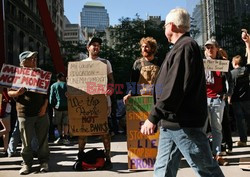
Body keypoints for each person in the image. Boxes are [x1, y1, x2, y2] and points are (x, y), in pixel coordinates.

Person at [141, 8, 224, 177]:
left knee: (206, 169)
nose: (164, 29)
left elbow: (175, 87)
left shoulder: (186, 47)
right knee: (162, 170)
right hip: (172, 122)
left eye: (165, 26)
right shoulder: (181, 47)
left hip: (184, 123)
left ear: (171, 26)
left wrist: (153, 116)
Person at [8, 51, 49, 175]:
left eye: (35, 58)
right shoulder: (16, 75)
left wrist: (44, 107)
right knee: (26, 141)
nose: (34, 60)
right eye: (31, 59)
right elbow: (10, 92)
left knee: (43, 140)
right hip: (24, 112)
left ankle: (44, 162)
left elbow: (46, 93)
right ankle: (26, 163)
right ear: (23, 62)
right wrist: (17, 93)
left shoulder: (40, 73)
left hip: (41, 112)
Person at [78, 37, 114, 169]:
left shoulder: (105, 62)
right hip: (85, 103)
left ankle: (108, 157)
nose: (96, 47)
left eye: (98, 45)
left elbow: (111, 80)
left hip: (103, 101)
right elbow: (76, 83)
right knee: (82, 131)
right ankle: (80, 156)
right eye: (93, 45)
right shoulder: (81, 64)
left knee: (104, 131)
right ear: (88, 47)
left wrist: (110, 89)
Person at [204, 38, 233, 165]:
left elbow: (230, 81)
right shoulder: (202, 64)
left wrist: (227, 94)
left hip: (217, 99)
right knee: (202, 129)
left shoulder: (222, 64)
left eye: (211, 47)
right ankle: (205, 156)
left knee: (217, 129)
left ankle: (217, 155)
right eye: (207, 47)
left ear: (216, 48)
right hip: (203, 100)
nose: (209, 49)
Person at [123, 37, 160, 103]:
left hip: (156, 99)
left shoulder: (160, 62)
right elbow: (133, 82)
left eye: (146, 47)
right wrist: (129, 94)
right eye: (142, 47)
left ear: (153, 48)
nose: (144, 49)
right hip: (140, 99)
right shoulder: (138, 63)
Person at [230, 31, 250, 146]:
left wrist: (229, 98)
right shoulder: (246, 70)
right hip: (248, 98)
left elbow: (230, 87)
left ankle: (243, 140)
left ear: (234, 63)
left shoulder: (231, 73)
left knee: (240, 121)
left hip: (236, 100)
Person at [49, 72, 70, 145]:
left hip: (57, 107)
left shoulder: (53, 86)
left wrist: (52, 105)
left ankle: (60, 137)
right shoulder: (66, 85)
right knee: (66, 123)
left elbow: (51, 97)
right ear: (61, 77)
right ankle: (66, 137)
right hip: (67, 106)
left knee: (58, 123)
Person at [0, 88, 11, 157]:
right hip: (3, 110)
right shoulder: (2, 87)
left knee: (6, 131)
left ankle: (5, 148)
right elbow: (7, 97)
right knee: (7, 129)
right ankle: (5, 148)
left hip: (6, 109)